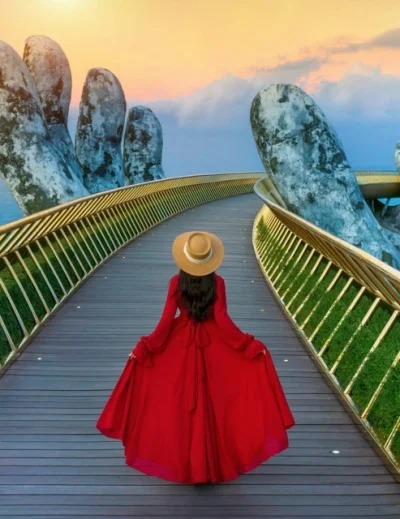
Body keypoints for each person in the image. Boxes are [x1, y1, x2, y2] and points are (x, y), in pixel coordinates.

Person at [96, 230, 295, 484]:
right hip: (214, 342)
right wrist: (247, 344)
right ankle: (211, 467)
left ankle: (188, 465)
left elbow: (167, 320)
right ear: (210, 259)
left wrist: (145, 347)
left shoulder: (175, 283)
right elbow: (221, 320)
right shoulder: (218, 282)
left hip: (181, 342)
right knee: (213, 402)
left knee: (181, 406)